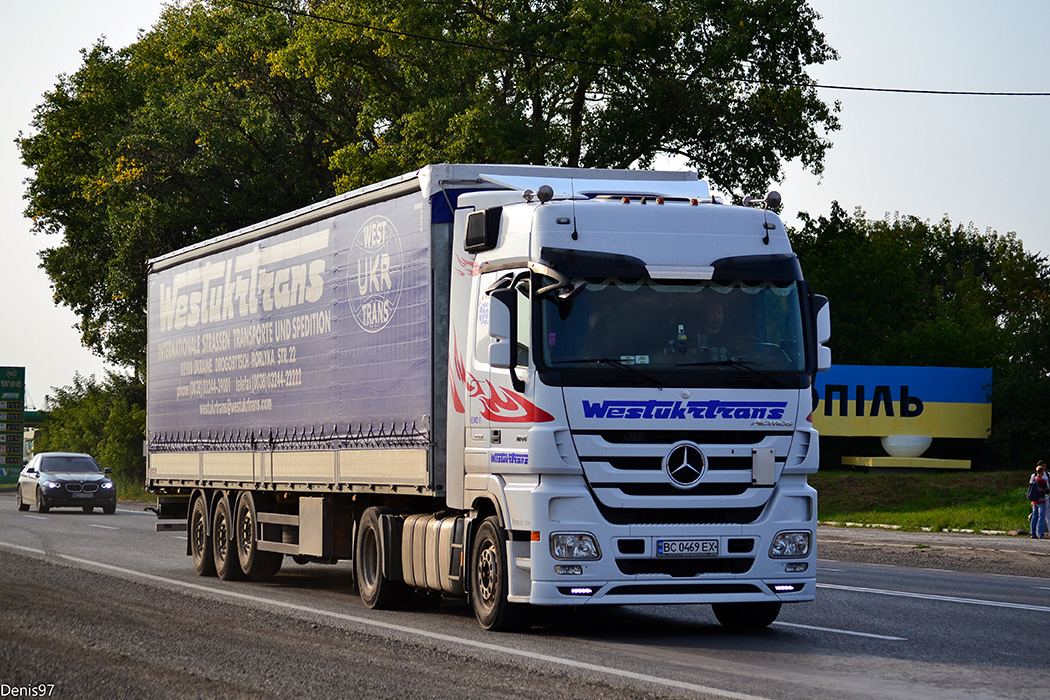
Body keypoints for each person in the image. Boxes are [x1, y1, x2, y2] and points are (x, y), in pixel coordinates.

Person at [1029, 462, 1049, 539]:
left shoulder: (1034, 479)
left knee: (1034, 517)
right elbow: (1046, 491)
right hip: (1042, 500)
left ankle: (1033, 533)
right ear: (1042, 472)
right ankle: (1040, 534)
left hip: (1035, 500)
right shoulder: (1043, 481)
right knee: (1041, 517)